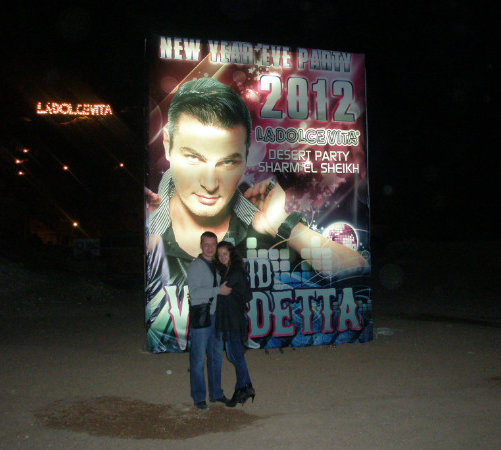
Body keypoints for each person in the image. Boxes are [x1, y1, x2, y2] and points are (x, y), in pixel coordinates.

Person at [145, 77, 369, 352]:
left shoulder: (262, 231)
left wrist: (285, 225)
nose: (210, 183)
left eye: (228, 162)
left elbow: (356, 275)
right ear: (167, 144)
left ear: (245, 157)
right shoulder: (150, 232)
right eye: (194, 158)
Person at [187, 231, 232, 410]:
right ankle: (199, 397)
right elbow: (194, 293)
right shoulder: (195, 266)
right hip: (202, 317)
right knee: (198, 359)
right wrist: (217, 291)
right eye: (206, 244)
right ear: (201, 245)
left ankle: (216, 393)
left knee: (216, 358)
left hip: (216, 316)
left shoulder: (217, 265)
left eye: (213, 244)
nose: (210, 248)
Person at [214, 240, 255, 407]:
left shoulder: (235, 271)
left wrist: (210, 292)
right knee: (233, 355)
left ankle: (240, 389)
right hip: (228, 316)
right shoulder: (226, 270)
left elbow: (228, 292)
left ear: (231, 253)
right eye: (219, 255)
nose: (222, 257)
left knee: (235, 355)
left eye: (225, 253)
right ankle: (248, 386)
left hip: (233, 318)